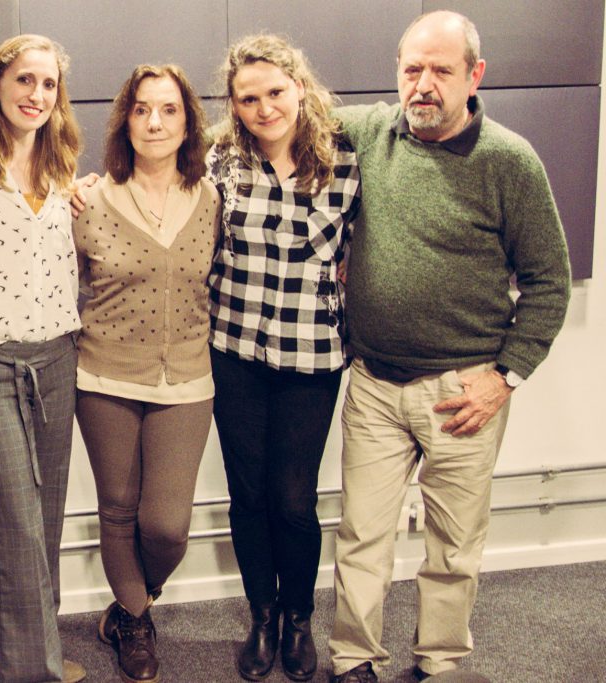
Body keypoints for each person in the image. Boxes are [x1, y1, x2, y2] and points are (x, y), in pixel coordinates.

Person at [328, 11, 571, 683]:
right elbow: (281, 119)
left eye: (441, 70)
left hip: (464, 390)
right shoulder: (371, 133)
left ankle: (440, 663)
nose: (424, 84)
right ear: (397, 72)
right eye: (413, 69)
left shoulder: (509, 161)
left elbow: (550, 282)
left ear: (475, 75)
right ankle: (353, 658)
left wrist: (506, 376)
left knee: (454, 545)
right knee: (362, 536)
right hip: (375, 383)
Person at [206, 34, 360, 682]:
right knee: (247, 496)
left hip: (312, 354)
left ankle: (299, 617)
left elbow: (368, 240)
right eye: (248, 99)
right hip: (234, 348)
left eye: (275, 92)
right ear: (234, 104)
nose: (264, 108)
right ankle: (262, 616)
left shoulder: (346, 155)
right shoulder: (219, 158)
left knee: (293, 499)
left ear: (299, 86)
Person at [73, 64, 219, 683]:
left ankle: (137, 594)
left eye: (168, 109)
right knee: (117, 509)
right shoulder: (88, 200)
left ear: (188, 123)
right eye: (141, 109)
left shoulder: (213, 198)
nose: (154, 122)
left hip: (187, 378)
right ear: (125, 121)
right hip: (103, 376)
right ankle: (134, 622)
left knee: (166, 526)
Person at [0, 34, 86, 683]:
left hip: (58, 356)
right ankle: (34, 671)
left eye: (48, 84)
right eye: (25, 80)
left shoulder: (64, 170)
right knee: (17, 517)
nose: (37, 95)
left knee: (48, 514)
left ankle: (34, 650)